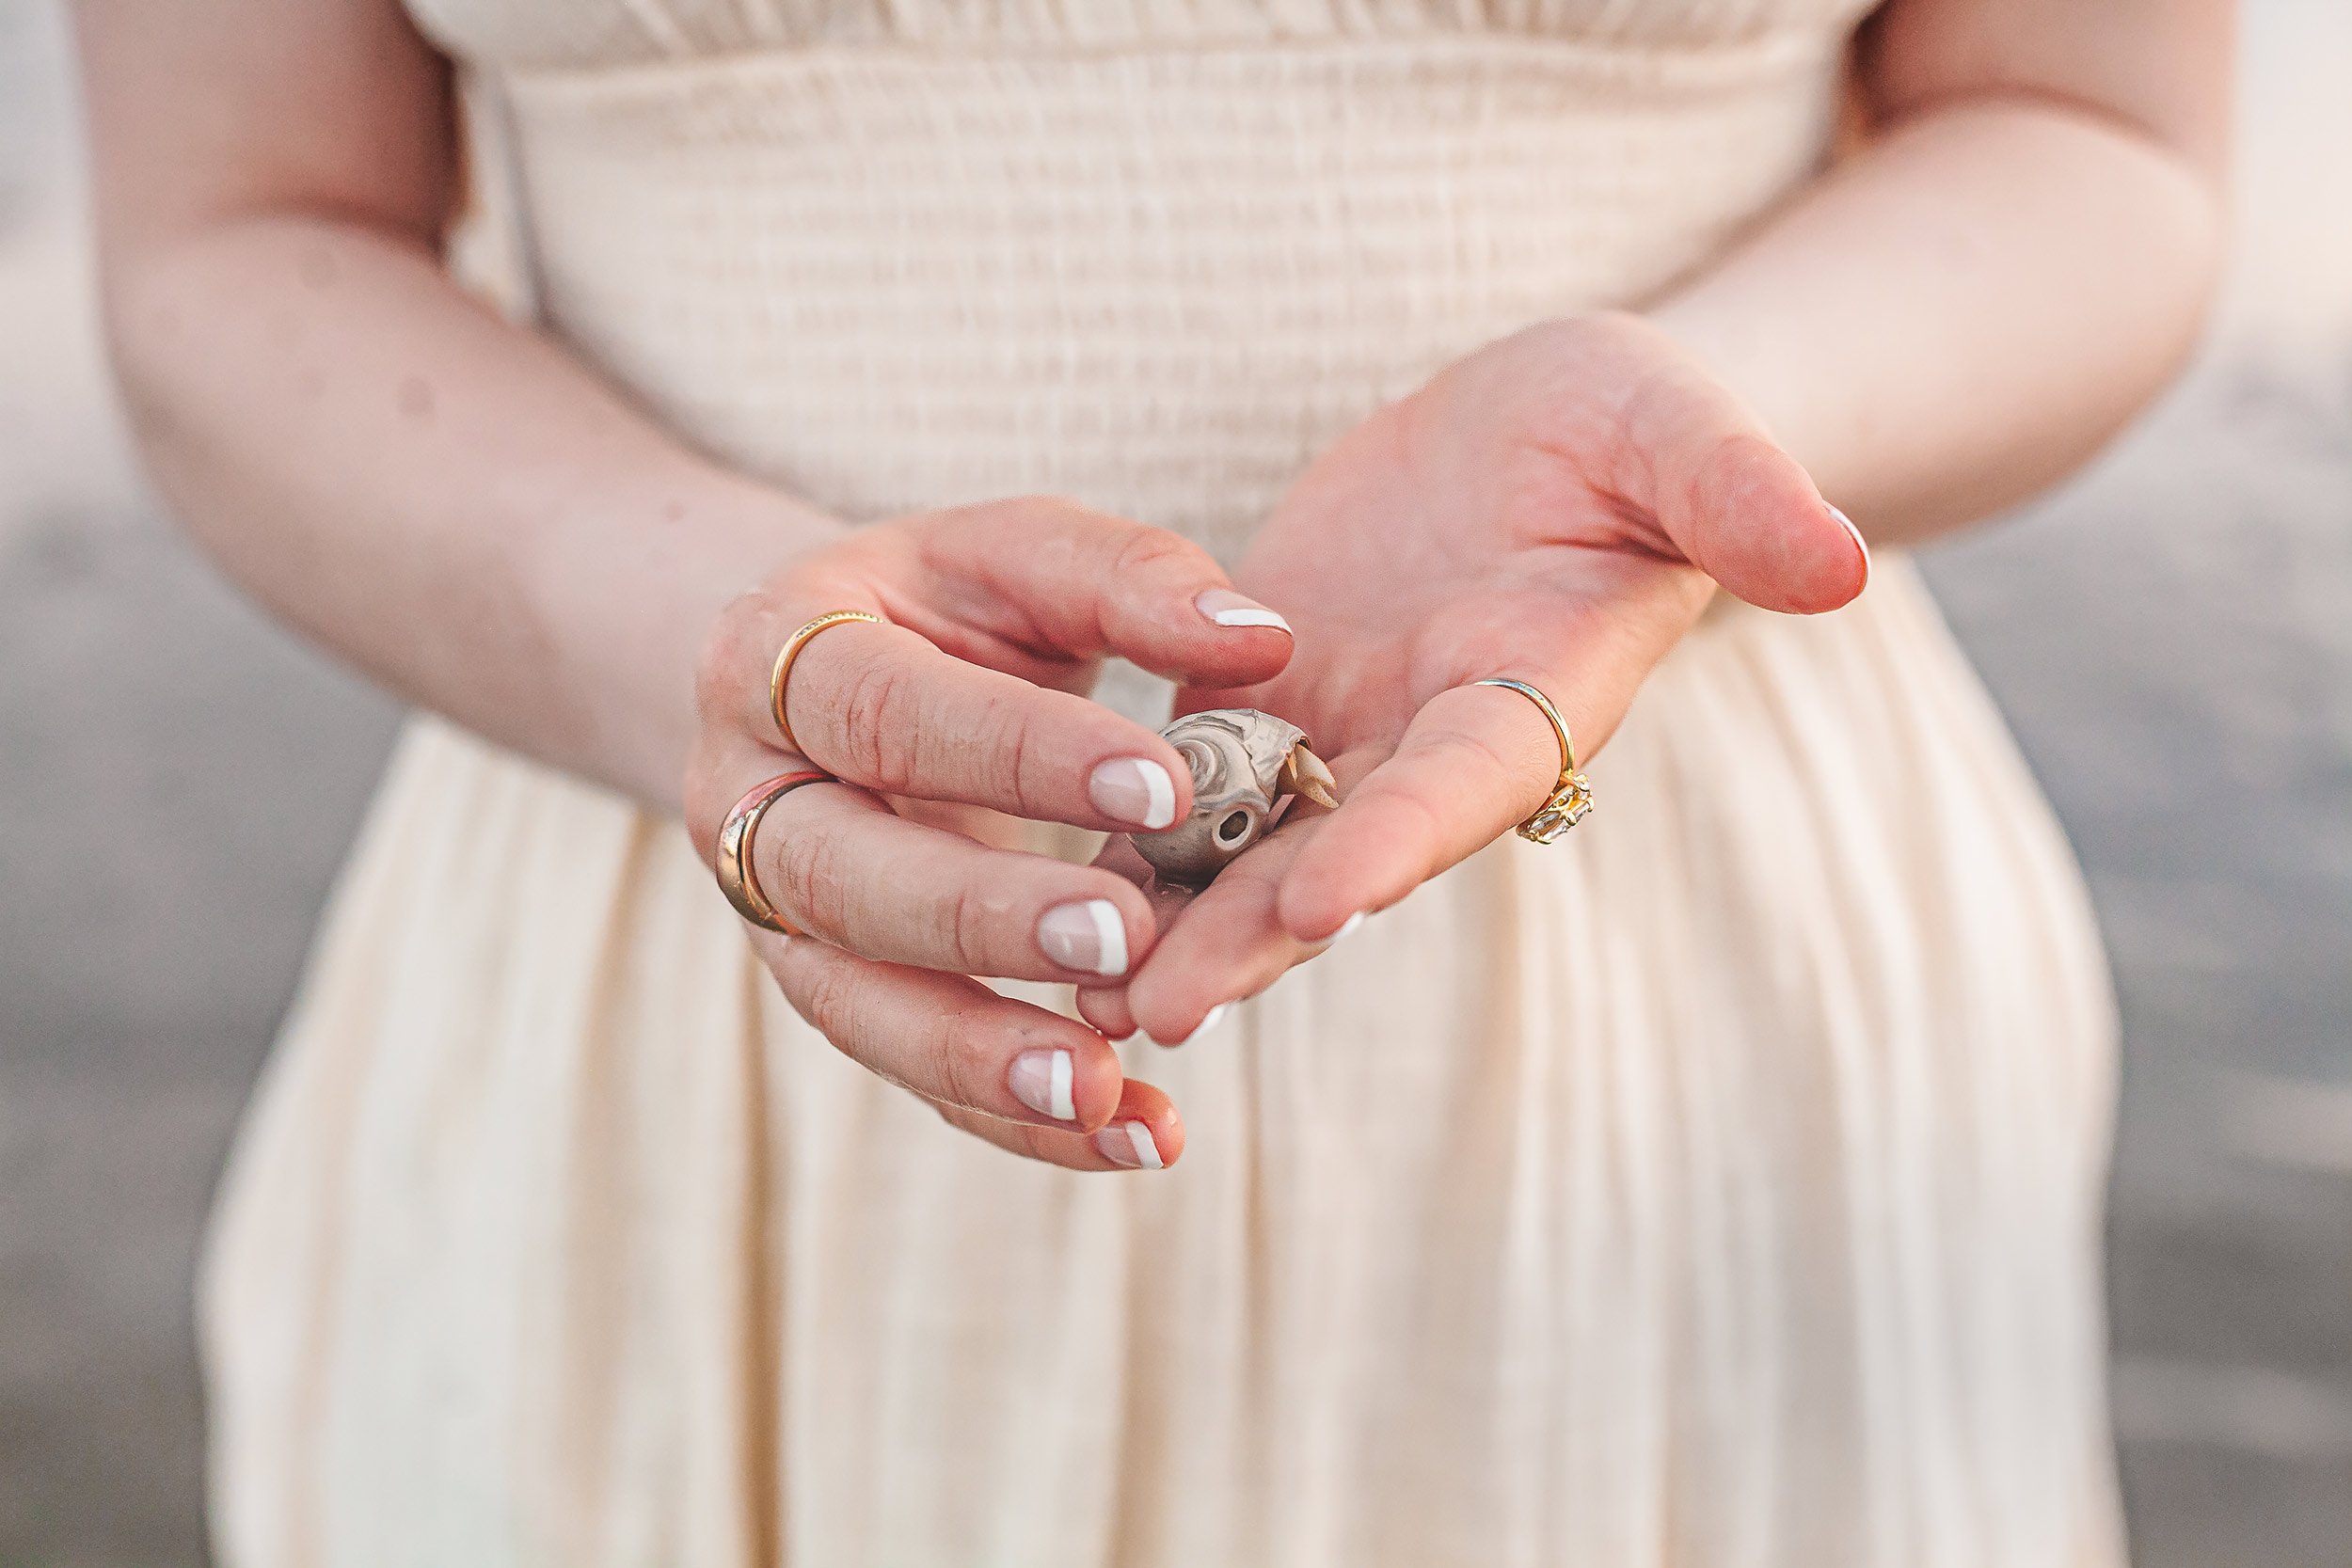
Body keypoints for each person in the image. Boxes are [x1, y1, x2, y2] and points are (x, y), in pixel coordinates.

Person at [75, 0, 2228, 1561]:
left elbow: (2086, 127)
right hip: (703, 918)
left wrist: (1709, 437)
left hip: (1662, 967)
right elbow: (239, 234)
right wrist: (712, 647)